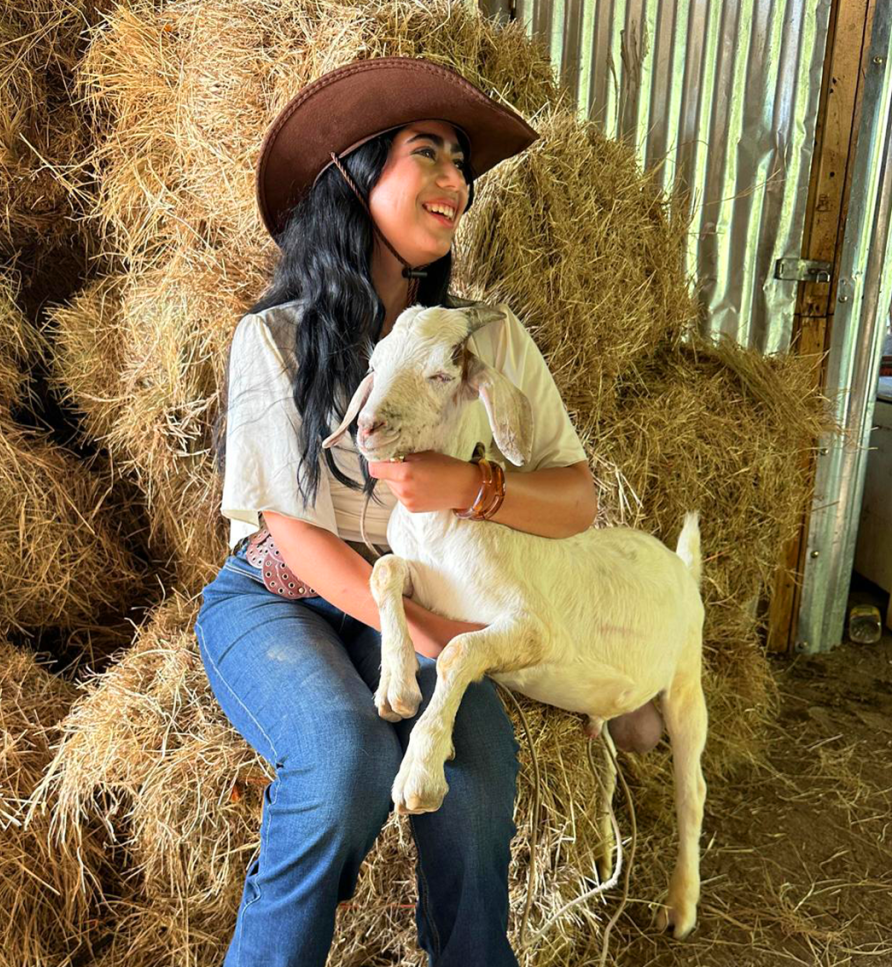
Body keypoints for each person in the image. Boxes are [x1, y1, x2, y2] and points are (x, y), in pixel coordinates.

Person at [195, 57, 662, 967]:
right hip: (286, 596)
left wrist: (472, 489)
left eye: (462, 164)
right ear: (358, 172)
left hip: (422, 605)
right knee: (345, 769)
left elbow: (575, 501)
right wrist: (434, 632)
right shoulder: (276, 338)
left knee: (478, 786)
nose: (457, 183)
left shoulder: (483, 341)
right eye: (429, 155)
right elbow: (289, 530)